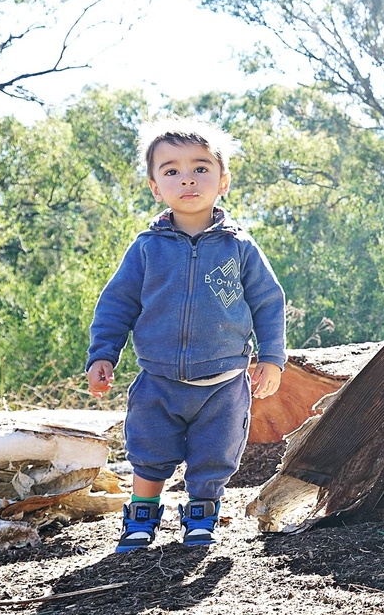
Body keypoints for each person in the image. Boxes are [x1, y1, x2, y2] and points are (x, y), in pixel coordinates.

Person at [84, 118, 286, 552]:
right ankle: (140, 520)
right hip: (158, 379)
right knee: (149, 450)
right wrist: (103, 354)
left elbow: (269, 302)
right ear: (156, 187)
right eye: (171, 170)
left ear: (223, 181)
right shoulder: (147, 248)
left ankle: (201, 517)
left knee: (214, 456)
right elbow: (117, 304)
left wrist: (271, 357)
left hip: (224, 382)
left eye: (200, 168)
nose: (187, 179)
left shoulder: (239, 247)